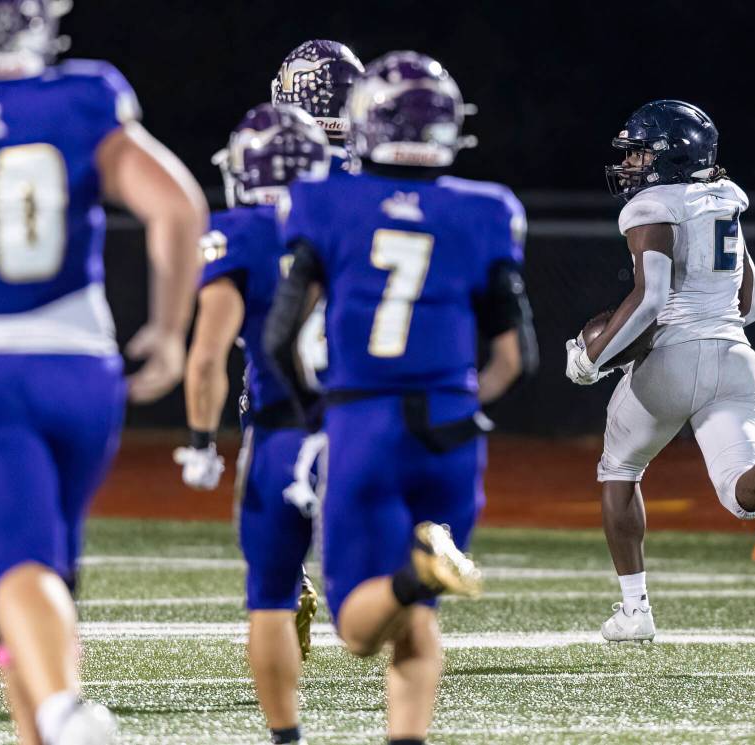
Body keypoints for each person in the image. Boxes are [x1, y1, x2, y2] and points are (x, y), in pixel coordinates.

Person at [264, 51, 538, 745]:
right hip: (451, 426)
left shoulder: (323, 200)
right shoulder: (487, 208)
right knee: (417, 621)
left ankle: (420, 571)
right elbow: (515, 357)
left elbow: (281, 339)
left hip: (364, 419)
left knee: (360, 627)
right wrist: (466, 407)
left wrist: (315, 415)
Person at [0, 1, 206, 743]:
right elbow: (177, 206)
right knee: (41, 575)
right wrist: (167, 332)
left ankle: (67, 709)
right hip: (81, 370)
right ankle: (44, 721)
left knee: (21, 563)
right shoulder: (83, 94)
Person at [566, 99, 755, 642]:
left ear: (671, 156)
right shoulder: (725, 203)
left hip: (674, 356)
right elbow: (749, 305)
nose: (631, 166)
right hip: (736, 358)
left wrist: (590, 360)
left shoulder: (653, 205)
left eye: (641, 154)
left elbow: (649, 303)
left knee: (619, 469)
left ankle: (634, 611)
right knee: (740, 495)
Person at [175, 104, 330, 745]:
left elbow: (207, 355)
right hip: (365, 422)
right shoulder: (350, 215)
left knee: (270, 593)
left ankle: (285, 736)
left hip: (281, 428)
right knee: (382, 599)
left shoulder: (237, 231)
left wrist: (199, 441)